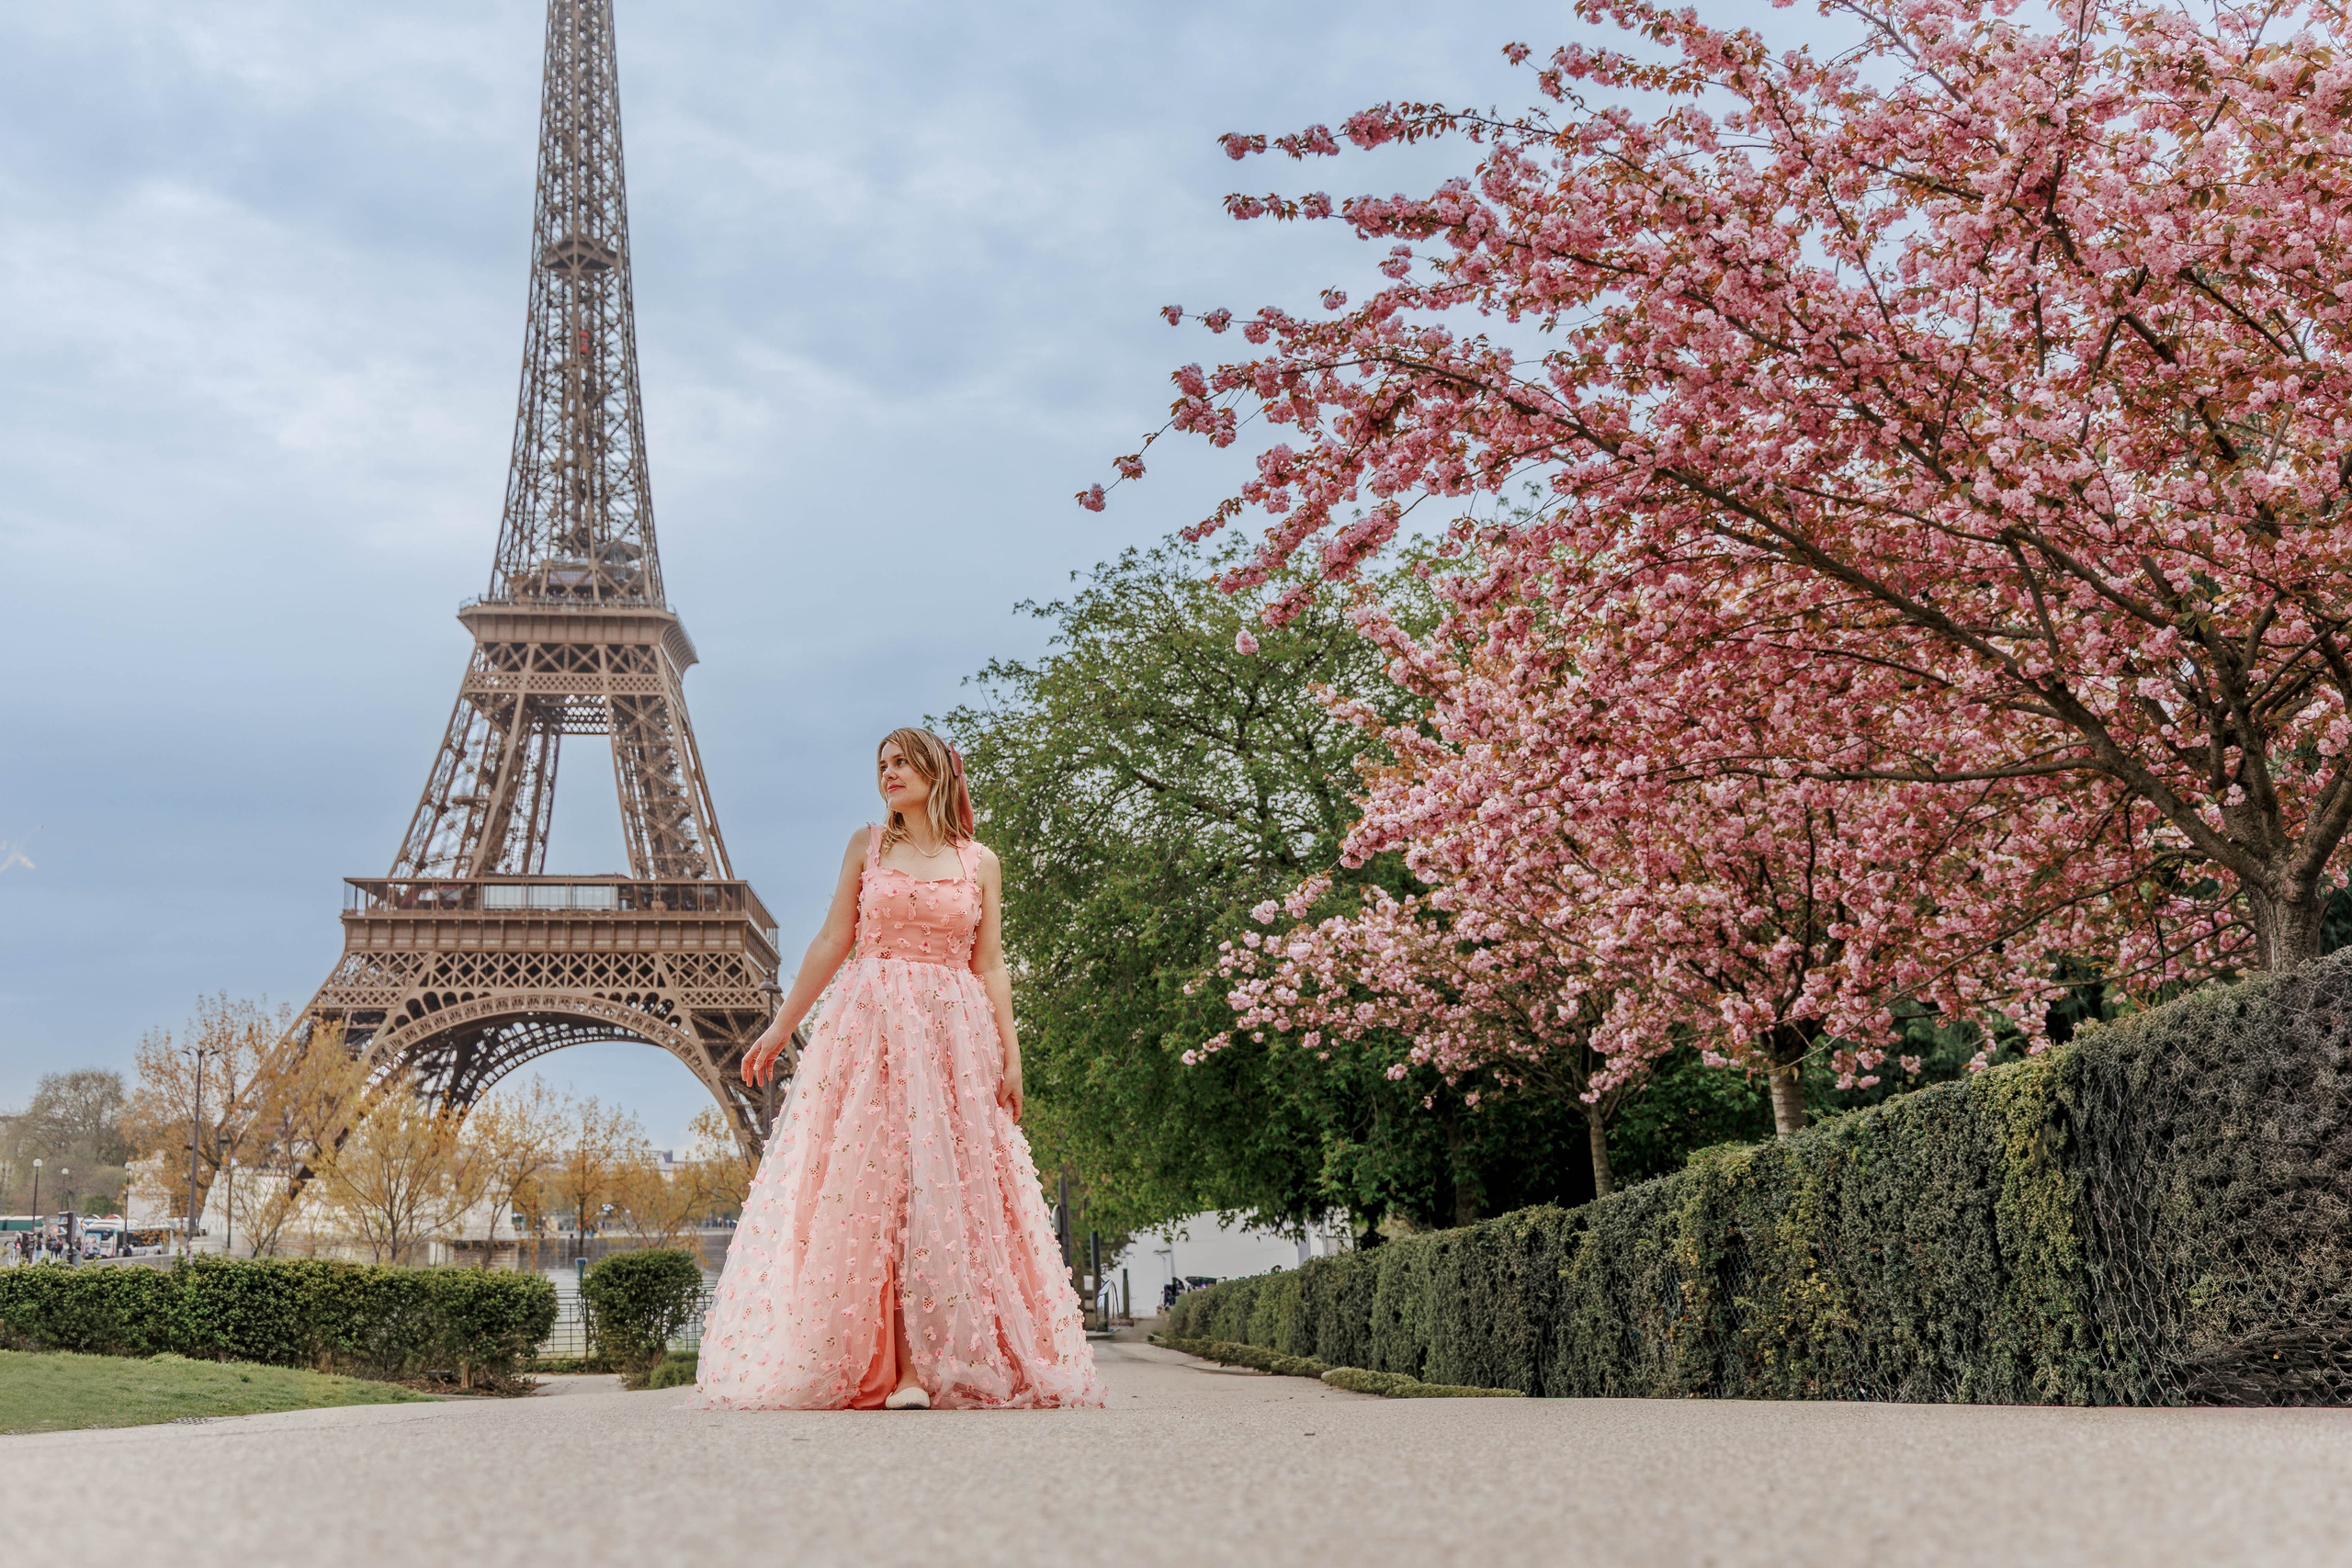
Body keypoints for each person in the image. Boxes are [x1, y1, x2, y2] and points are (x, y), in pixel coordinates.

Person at [694, 728, 1104, 1412]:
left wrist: (1013, 1054)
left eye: (900, 761)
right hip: (873, 1031)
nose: (887, 771)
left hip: (953, 1039)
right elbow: (833, 939)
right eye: (880, 762)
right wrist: (780, 1025)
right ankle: (899, 1368)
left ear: (937, 770)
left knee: (942, 1196)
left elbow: (991, 964)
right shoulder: (867, 845)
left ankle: (940, 1360)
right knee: (875, 1194)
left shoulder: (981, 862)